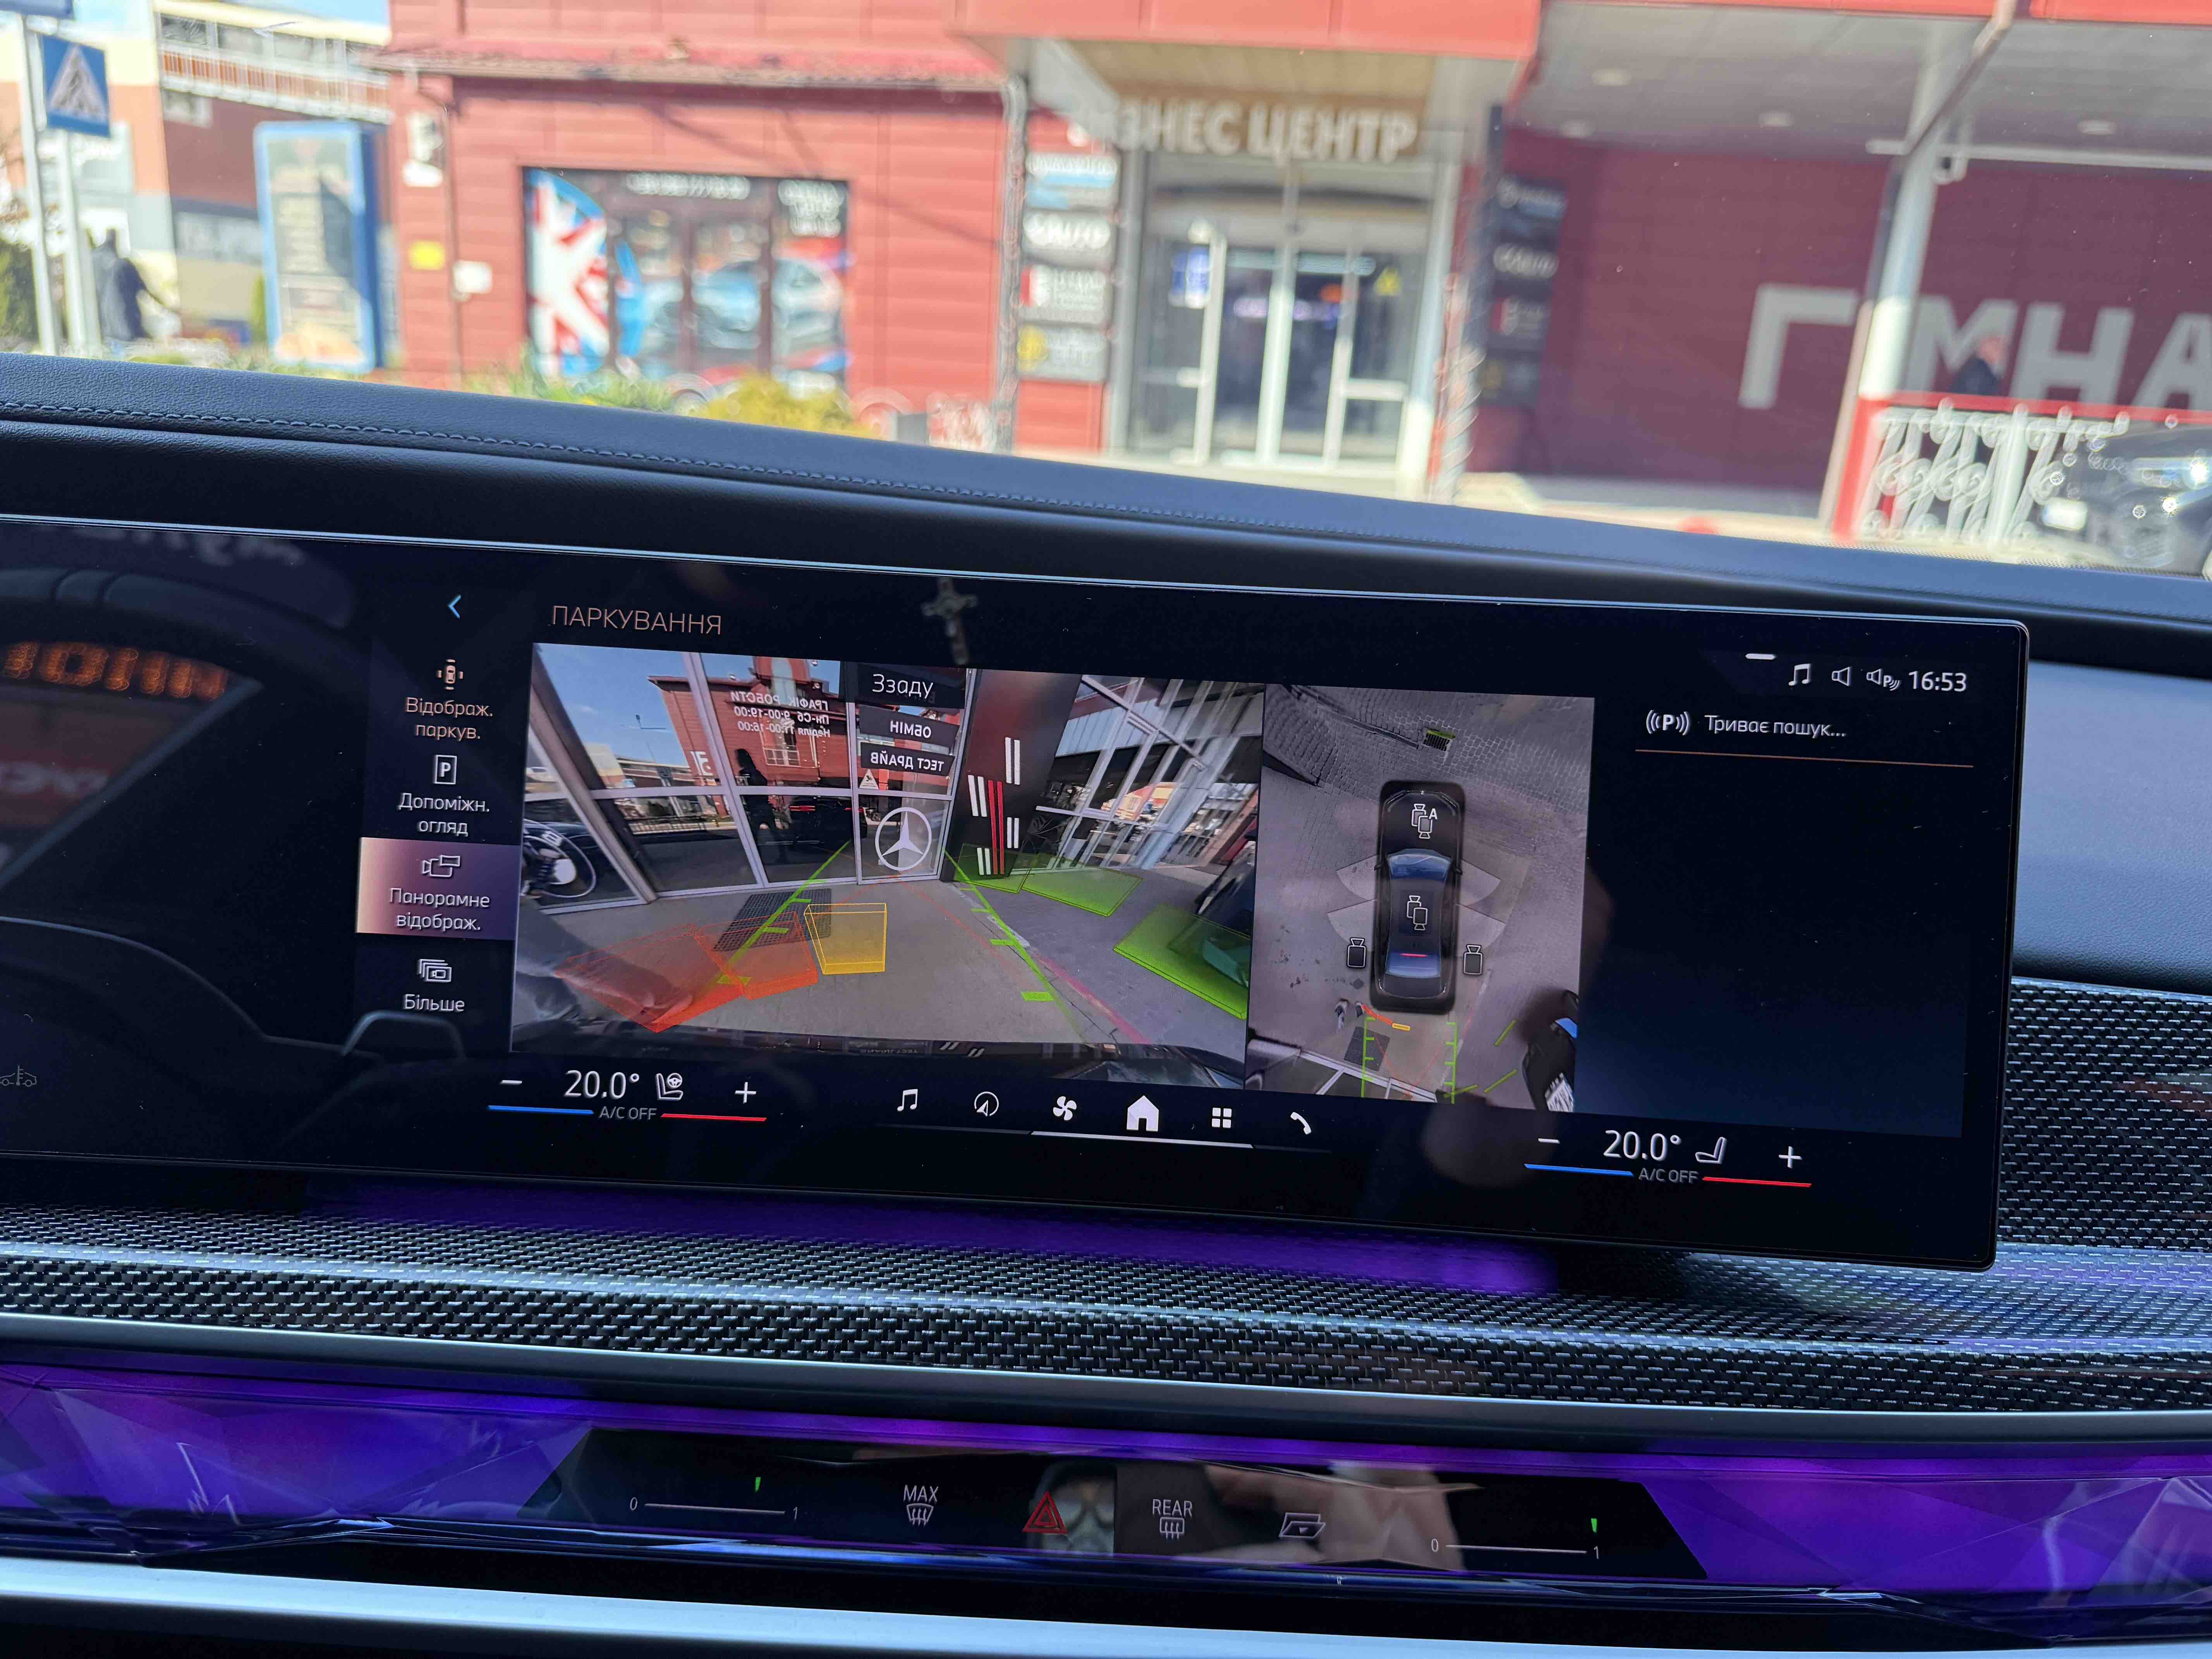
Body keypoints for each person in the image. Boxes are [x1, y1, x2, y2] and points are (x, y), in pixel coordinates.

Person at [92, 230, 149, 349]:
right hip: (126, 326)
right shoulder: (123, 265)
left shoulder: (94, 260)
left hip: (106, 326)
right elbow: (144, 291)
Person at [1948, 333, 2007, 398]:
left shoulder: (1977, 369)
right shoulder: (1978, 372)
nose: (2001, 351)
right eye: (1996, 347)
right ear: (1984, 347)